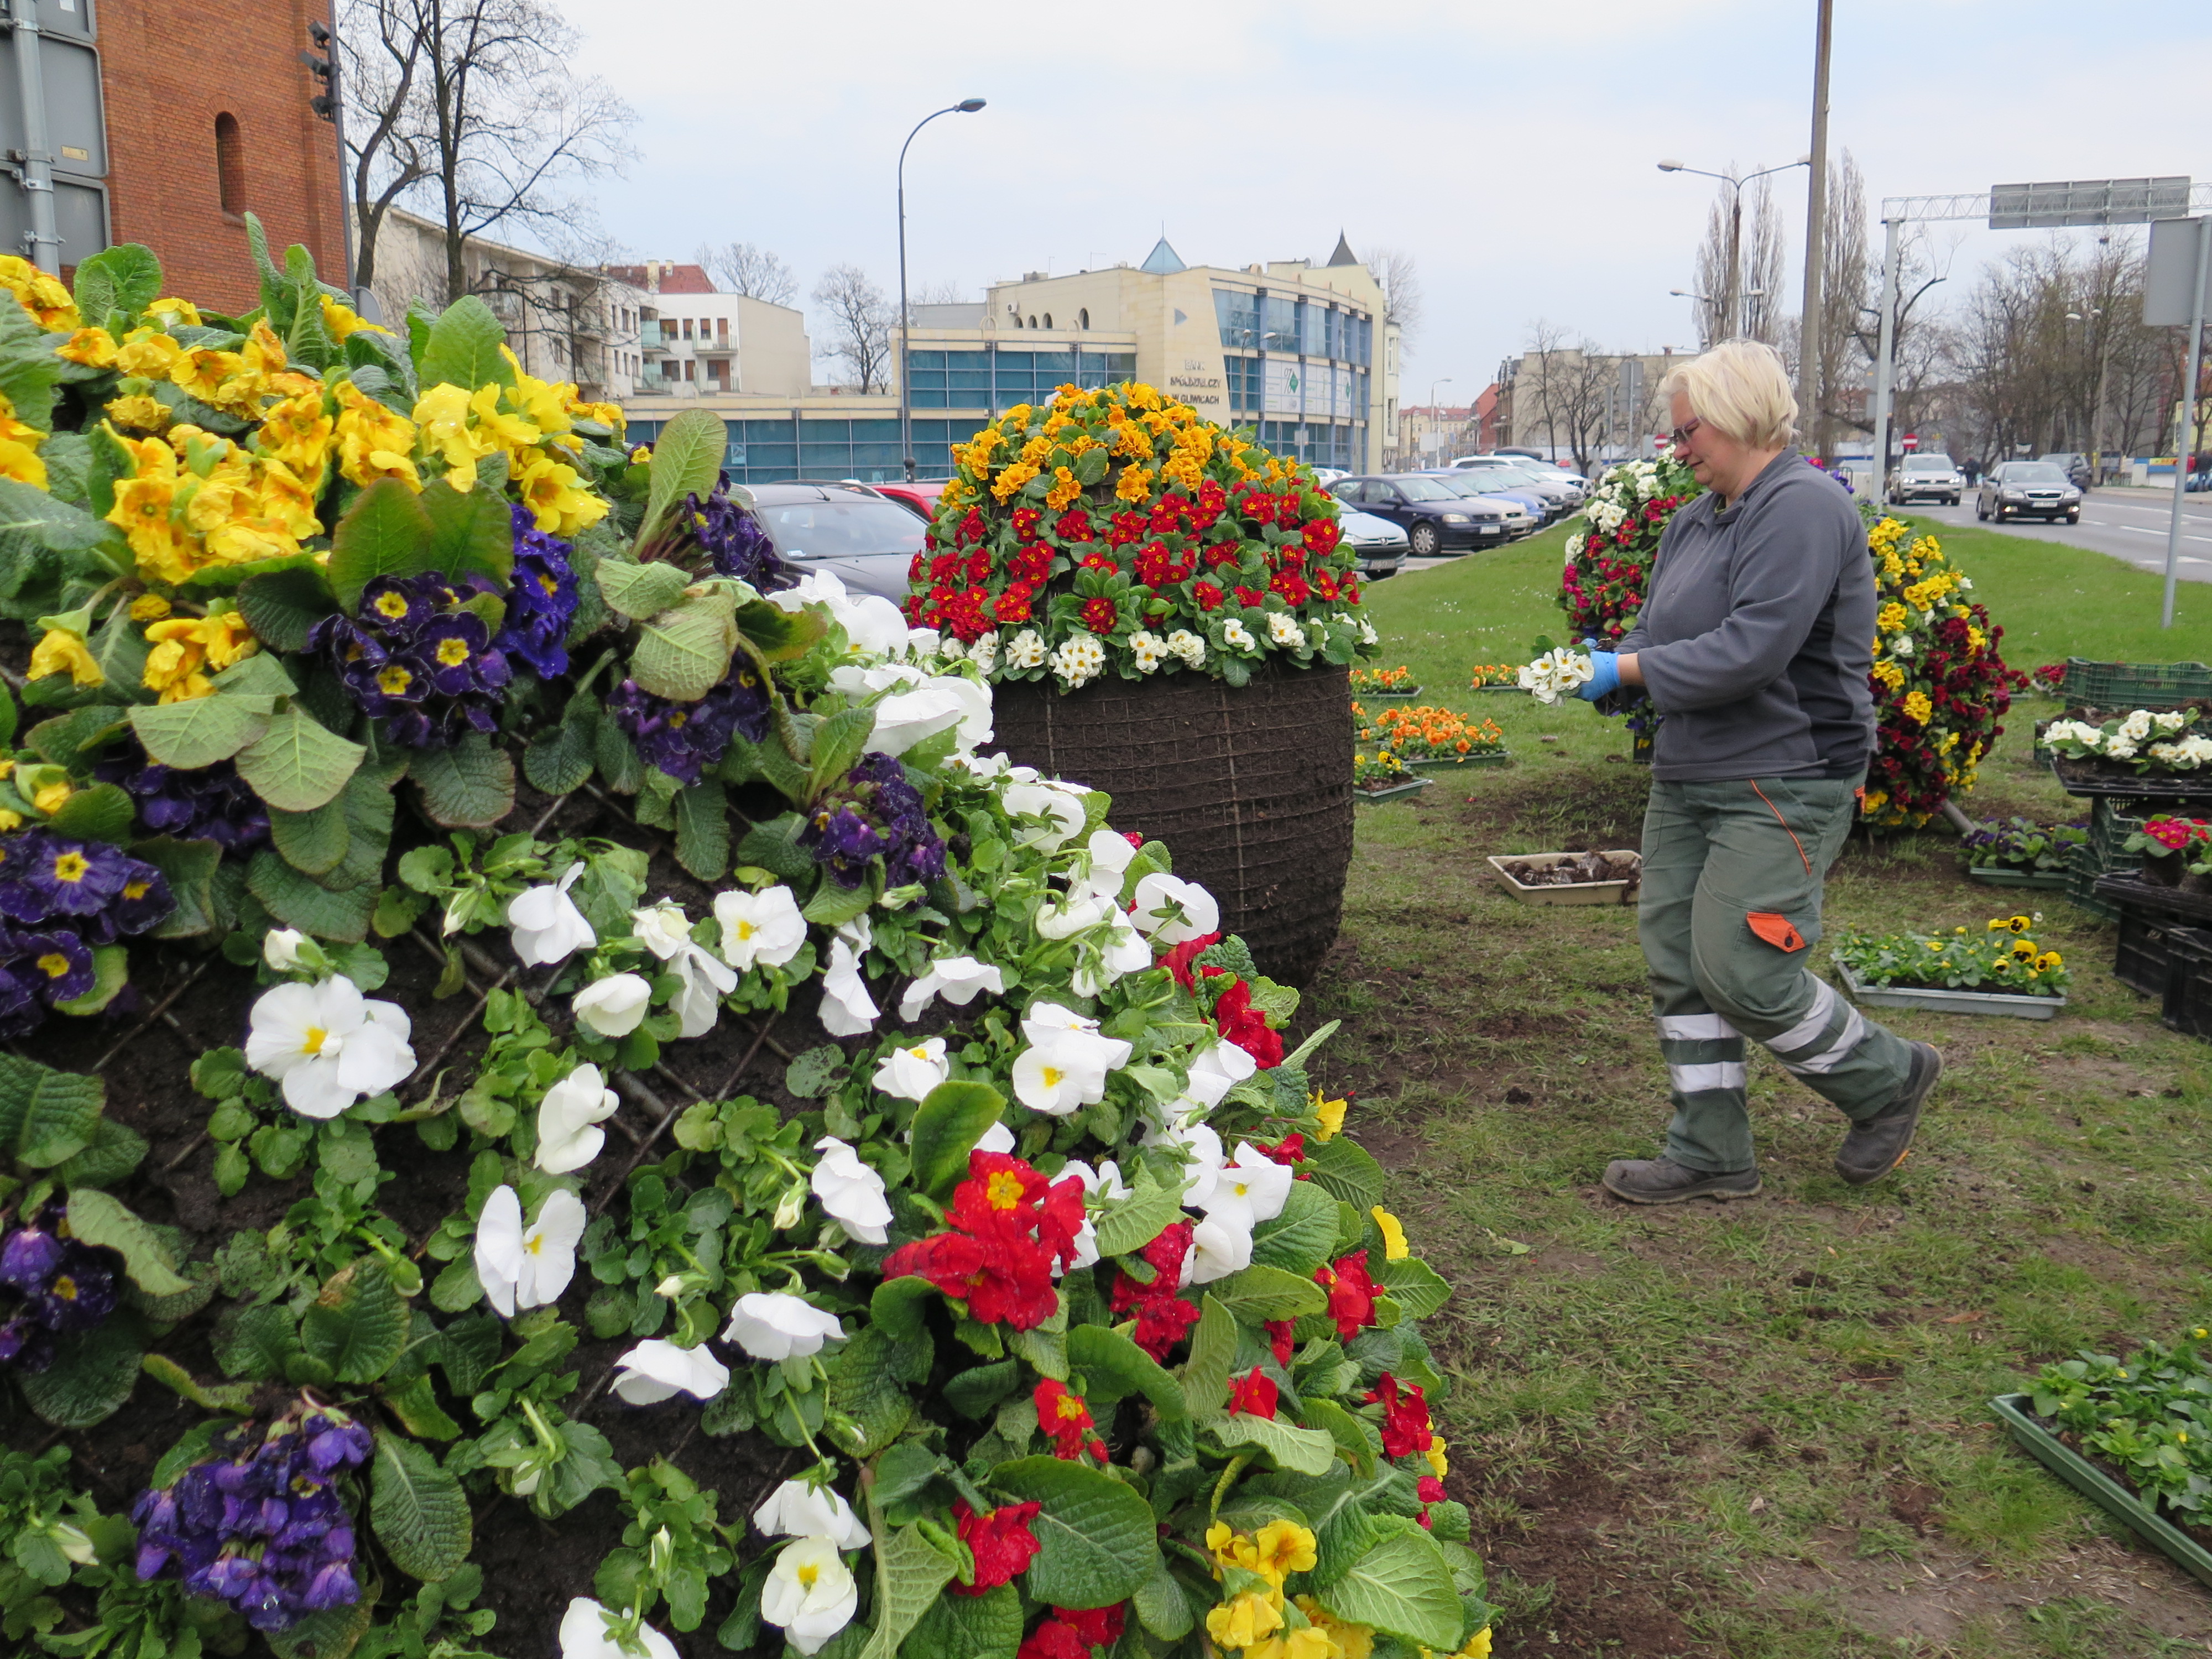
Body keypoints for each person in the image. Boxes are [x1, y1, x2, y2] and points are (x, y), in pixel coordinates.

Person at [1573, 341, 1940, 1203]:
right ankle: (1709, 1150)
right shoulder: (1699, 519)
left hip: (1783, 777)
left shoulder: (1804, 507)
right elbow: (1663, 636)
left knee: (1745, 971)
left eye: (1688, 430)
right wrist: (1607, 664)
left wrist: (1627, 674)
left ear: (1739, 415)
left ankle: (1887, 1081)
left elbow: (1754, 650)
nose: (1679, 449)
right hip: (1693, 773)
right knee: (1679, 963)